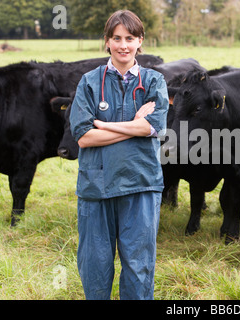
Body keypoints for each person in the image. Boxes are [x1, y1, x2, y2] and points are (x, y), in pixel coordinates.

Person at [69, 9, 169, 300]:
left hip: (141, 182)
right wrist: (135, 127)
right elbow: (85, 137)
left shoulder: (153, 82)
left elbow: (155, 127)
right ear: (107, 41)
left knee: (139, 266)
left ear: (140, 41)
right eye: (117, 38)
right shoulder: (89, 82)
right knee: (94, 265)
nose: (123, 45)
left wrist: (106, 125)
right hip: (96, 186)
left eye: (130, 38)